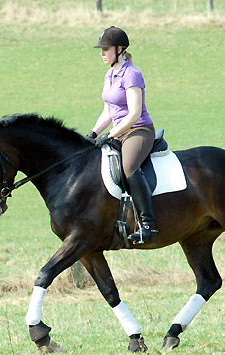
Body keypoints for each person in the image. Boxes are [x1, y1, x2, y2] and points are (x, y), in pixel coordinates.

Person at [87, 26, 157, 244]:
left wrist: (110, 135)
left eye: (106, 49)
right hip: (118, 132)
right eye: (101, 50)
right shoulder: (110, 74)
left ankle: (148, 225)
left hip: (139, 131)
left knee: (128, 167)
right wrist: (92, 133)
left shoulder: (132, 74)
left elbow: (134, 114)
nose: (102, 53)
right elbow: (108, 111)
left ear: (119, 49)